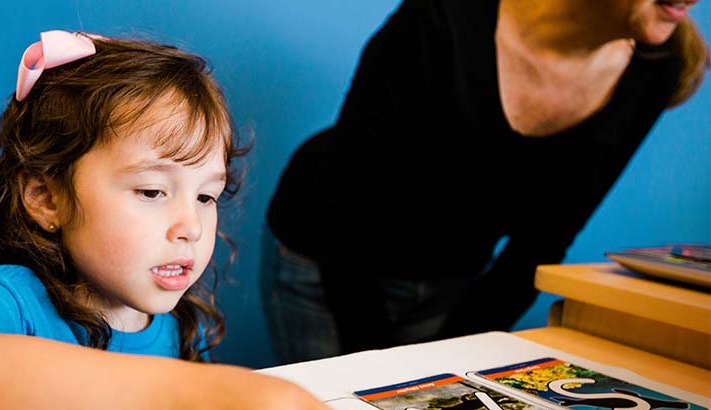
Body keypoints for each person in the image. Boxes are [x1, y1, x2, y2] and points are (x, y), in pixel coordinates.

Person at [0, 31, 388, 410]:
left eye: (206, 196)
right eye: (153, 191)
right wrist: (186, 401)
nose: (192, 227)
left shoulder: (176, 321)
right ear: (45, 197)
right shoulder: (4, 296)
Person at [262, 0, 709, 364]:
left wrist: (453, 363)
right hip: (324, 262)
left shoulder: (658, 65)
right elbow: (347, 205)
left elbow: (542, 243)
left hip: (452, 282)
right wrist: (379, 369)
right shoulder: (437, 19)